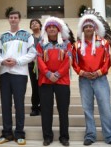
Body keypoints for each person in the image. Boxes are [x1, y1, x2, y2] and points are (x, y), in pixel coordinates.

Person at [71, 9, 111, 146]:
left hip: (100, 79)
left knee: (105, 107)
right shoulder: (77, 45)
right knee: (87, 109)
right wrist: (81, 72)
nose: (88, 28)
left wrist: (100, 72)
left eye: (90, 26)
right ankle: (90, 135)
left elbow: (108, 60)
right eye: (85, 26)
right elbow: (74, 62)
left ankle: (110, 136)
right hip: (84, 80)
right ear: (82, 29)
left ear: (95, 28)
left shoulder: (104, 43)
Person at [0, 10, 36, 145]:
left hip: (20, 74)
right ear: (8, 20)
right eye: (11, 17)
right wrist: (2, 61)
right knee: (5, 105)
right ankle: (7, 133)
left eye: (15, 17)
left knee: (19, 105)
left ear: (19, 19)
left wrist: (17, 61)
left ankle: (19, 133)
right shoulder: (3, 36)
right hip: (4, 74)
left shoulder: (27, 35)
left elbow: (32, 53)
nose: (13, 19)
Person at [37, 17, 71, 146]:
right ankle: (47, 137)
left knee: (63, 110)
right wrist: (47, 73)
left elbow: (68, 61)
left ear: (58, 29)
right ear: (46, 30)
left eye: (54, 27)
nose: (51, 28)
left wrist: (57, 74)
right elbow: (39, 61)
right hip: (45, 81)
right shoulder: (41, 44)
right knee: (46, 110)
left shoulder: (67, 43)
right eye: (49, 27)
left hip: (62, 81)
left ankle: (64, 137)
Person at [28, 18, 42, 116]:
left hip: (45, 65)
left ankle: (43, 106)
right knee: (35, 86)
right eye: (32, 24)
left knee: (44, 86)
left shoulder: (45, 36)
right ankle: (35, 107)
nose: (34, 24)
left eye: (36, 23)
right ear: (30, 27)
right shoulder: (29, 38)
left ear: (40, 25)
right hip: (32, 65)